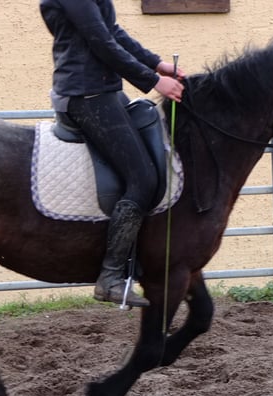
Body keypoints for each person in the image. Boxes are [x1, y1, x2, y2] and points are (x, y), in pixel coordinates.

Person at [40, 0, 185, 307]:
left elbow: (113, 31)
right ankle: (110, 277)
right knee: (143, 179)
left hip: (103, 90)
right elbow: (101, 41)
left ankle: (138, 259)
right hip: (85, 94)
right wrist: (154, 81)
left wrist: (157, 64)